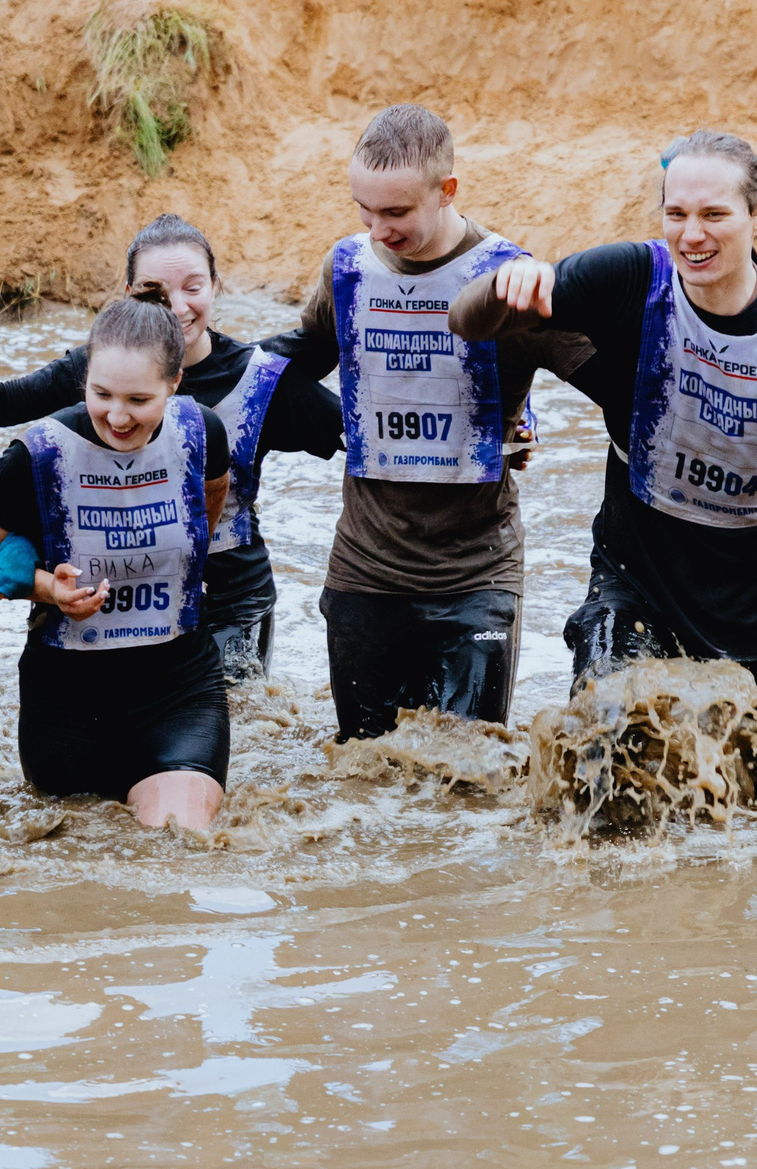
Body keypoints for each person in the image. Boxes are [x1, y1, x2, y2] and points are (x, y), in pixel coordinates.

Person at [451, 130, 757, 762]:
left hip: (755, 612)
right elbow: (466, 322)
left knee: (749, 828)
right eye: (677, 214)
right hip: (635, 586)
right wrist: (503, 286)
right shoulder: (633, 279)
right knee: (605, 753)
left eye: (714, 215)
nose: (692, 236)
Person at [267, 104, 590, 740]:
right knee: (363, 775)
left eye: (396, 213)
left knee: (470, 777)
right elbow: (294, 361)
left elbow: (610, 380)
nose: (377, 229)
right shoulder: (349, 268)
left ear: (447, 192)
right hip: (365, 567)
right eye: (364, 209)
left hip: (476, 573)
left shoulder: (505, 277)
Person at [0, 216, 339, 683]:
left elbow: (361, 438)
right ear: (129, 294)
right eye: (156, 289)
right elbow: (10, 399)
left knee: (236, 722)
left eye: (193, 287)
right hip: (111, 586)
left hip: (229, 593)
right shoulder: (105, 373)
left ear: (216, 288)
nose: (176, 306)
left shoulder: (261, 379)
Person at [0, 297, 232, 832]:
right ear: (84, 378)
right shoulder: (39, 453)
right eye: (102, 394)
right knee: (76, 857)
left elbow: (209, 507)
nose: (118, 416)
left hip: (178, 688)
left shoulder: (201, 435)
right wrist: (46, 590)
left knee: (177, 845)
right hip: (67, 702)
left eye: (139, 399)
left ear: (175, 382)